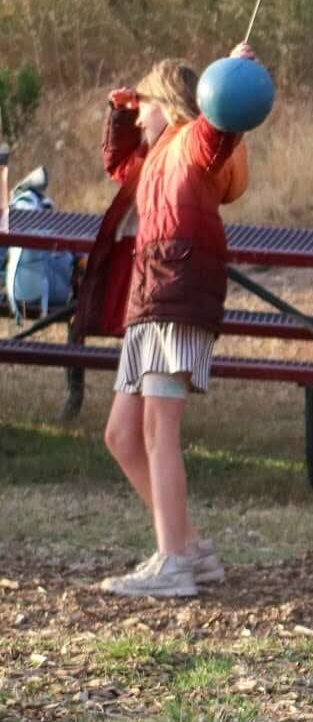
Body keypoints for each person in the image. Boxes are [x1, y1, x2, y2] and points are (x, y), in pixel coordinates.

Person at [87, 49, 255, 601]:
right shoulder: (152, 156)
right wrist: (118, 113)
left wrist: (230, 72)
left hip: (177, 295)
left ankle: (175, 562)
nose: (138, 117)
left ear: (169, 104)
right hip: (150, 299)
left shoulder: (191, 143)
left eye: (143, 106)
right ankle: (189, 548)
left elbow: (220, 128)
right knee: (122, 435)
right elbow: (117, 166)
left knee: (159, 431)